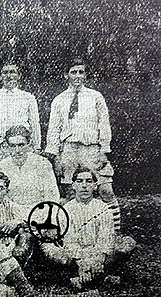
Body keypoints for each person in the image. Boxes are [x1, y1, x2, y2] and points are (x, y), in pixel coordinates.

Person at [45, 58, 121, 232]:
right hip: (69, 150)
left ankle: (114, 232)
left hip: (91, 149)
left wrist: (104, 150)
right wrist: (55, 156)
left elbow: (104, 124)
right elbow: (53, 129)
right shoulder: (59, 100)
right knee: (71, 194)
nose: (78, 76)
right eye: (74, 72)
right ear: (66, 75)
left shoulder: (95, 96)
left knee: (105, 190)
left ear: (85, 75)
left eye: (81, 72)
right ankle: (76, 231)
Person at [40, 168, 136, 290]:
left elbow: (105, 239)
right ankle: (98, 277)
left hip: (98, 255)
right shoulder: (67, 209)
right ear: (73, 185)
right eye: (79, 181)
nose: (84, 186)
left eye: (89, 181)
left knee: (127, 244)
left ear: (95, 186)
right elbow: (70, 242)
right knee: (50, 249)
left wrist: (98, 259)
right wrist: (80, 262)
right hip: (75, 257)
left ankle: (86, 277)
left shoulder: (104, 208)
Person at [0, 61, 41, 167]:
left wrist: (36, 147)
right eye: (5, 73)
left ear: (18, 76)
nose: (9, 76)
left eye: (12, 72)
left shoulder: (28, 97)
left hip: (21, 147)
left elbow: (35, 124)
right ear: (0, 76)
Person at [0, 125, 60, 208]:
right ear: (7, 146)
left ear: (28, 144)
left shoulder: (42, 164)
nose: (17, 150)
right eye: (13, 146)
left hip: (37, 213)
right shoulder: (0, 167)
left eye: (21, 145)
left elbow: (52, 196)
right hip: (10, 214)